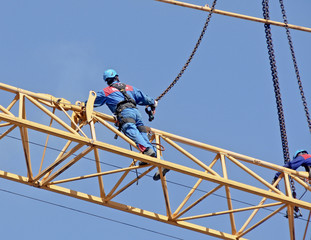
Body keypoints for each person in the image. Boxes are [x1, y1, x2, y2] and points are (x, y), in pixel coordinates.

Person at [86, 69, 169, 181]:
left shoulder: (106, 91)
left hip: (125, 113)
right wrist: (153, 102)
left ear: (107, 81)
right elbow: (142, 96)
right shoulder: (129, 88)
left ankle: (147, 151)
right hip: (136, 113)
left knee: (130, 129)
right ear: (117, 77)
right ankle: (161, 162)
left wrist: (83, 106)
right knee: (143, 133)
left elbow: (92, 101)